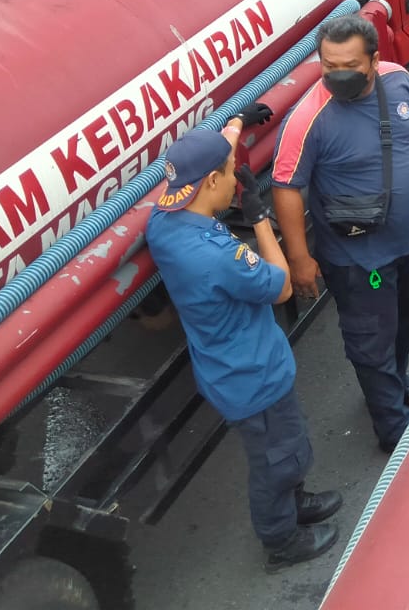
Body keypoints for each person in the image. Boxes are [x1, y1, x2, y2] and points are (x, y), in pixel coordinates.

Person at [146, 122, 343, 572]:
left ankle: (296, 500)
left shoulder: (163, 221)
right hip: (254, 377)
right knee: (278, 458)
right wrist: (258, 215)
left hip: (226, 371)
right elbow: (282, 288)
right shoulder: (217, 257)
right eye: (232, 171)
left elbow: (207, 160)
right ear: (212, 181)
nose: (237, 176)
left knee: (286, 446)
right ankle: (282, 539)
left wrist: (234, 129)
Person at [271, 17, 409, 455]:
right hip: (359, 261)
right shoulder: (309, 119)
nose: (338, 75)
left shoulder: (399, 81)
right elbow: (287, 188)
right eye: (329, 65)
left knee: (408, 315)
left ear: (374, 59)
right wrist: (300, 258)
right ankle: (393, 428)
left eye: (349, 64)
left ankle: (396, 381)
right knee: (371, 337)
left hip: (408, 243)